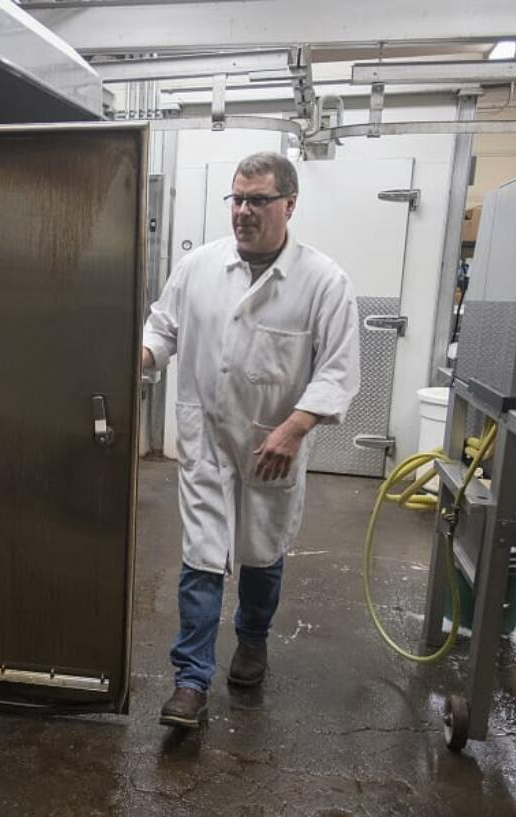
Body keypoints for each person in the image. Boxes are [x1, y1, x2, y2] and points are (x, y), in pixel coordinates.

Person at [141, 152, 360, 728]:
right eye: (237, 198)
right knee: (202, 556)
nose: (243, 211)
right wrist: (140, 356)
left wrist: (295, 427)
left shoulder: (323, 281)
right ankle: (190, 681)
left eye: (258, 200)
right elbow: (163, 327)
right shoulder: (199, 268)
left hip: (272, 443)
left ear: (289, 204)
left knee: (262, 554)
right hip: (208, 437)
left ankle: (253, 640)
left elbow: (337, 369)